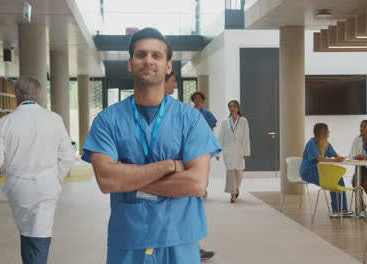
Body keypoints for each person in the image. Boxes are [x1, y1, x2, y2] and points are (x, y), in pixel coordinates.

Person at [81, 28, 221, 264]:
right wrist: (169, 166)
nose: (148, 60)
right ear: (130, 63)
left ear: (168, 66)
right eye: (141, 54)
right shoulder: (107, 120)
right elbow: (106, 180)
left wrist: (128, 178)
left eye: (156, 55)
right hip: (128, 236)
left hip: (179, 236)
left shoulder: (191, 119)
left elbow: (196, 183)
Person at [0, 76, 75, 264]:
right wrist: (55, 180)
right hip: (46, 186)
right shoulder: (54, 119)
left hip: (18, 188)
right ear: (40, 94)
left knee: (27, 233)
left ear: (16, 94)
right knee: (39, 235)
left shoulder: (5, 123)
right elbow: (68, 156)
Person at [164, 71, 216, 262]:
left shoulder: (190, 114)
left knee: (187, 212)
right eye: (173, 81)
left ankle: (195, 249)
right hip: (178, 172)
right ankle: (193, 249)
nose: (176, 85)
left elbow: (208, 133)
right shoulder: (182, 113)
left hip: (191, 163)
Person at [300, 123, 348, 214]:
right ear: (323, 132)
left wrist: (340, 158)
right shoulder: (311, 143)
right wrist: (337, 161)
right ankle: (338, 209)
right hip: (308, 172)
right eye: (328, 130)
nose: (329, 132)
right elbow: (319, 158)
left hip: (319, 171)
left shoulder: (325, 143)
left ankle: (341, 209)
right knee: (333, 180)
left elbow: (335, 155)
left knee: (338, 179)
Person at [216, 100, 251, 203]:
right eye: (230, 106)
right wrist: (218, 152)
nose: (232, 108)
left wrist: (246, 152)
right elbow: (220, 138)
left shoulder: (244, 121)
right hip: (228, 151)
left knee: (239, 173)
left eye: (234, 106)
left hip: (240, 151)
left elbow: (246, 137)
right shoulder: (225, 122)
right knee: (230, 172)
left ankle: (237, 187)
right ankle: (232, 195)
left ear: (238, 108)